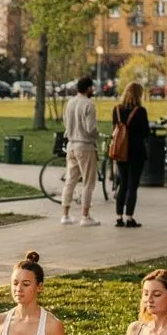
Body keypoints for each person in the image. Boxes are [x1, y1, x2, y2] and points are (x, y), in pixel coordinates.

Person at [61, 75, 100, 226]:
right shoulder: (89, 104)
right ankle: (85, 215)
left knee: (70, 180)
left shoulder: (70, 103)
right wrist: (97, 135)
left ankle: (65, 214)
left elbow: (66, 123)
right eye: (92, 87)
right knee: (88, 182)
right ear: (88, 88)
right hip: (85, 146)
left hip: (71, 145)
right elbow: (90, 129)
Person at [111, 81, 150, 227]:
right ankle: (129, 217)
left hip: (121, 152)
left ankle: (118, 217)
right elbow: (145, 132)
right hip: (136, 152)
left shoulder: (117, 110)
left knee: (123, 184)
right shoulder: (140, 111)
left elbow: (115, 129)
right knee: (133, 185)